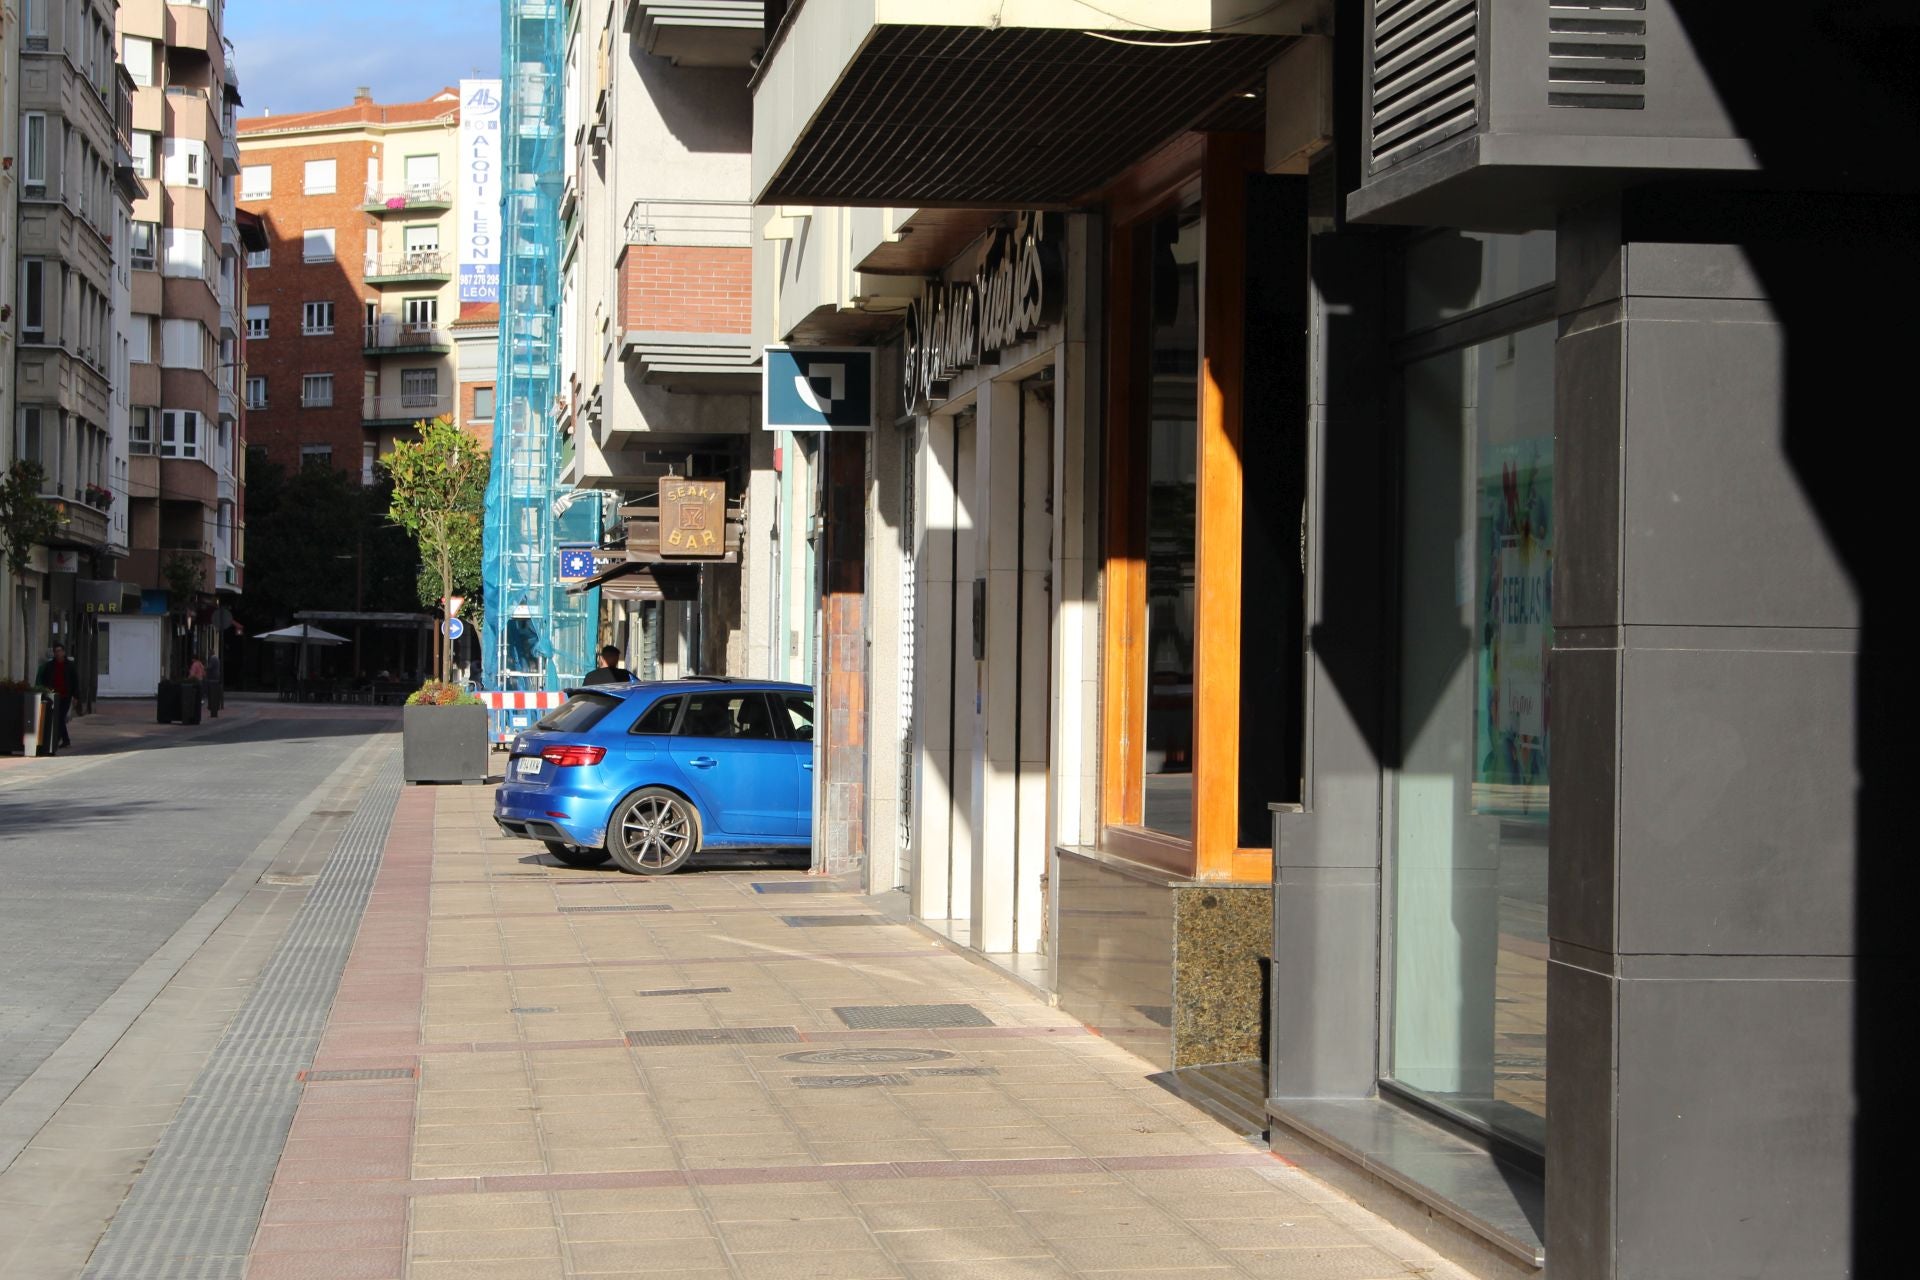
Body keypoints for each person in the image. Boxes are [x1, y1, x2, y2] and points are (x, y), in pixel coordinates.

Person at [35, 643, 76, 751]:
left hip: (66, 696)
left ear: (64, 652)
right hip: (53, 696)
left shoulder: (70, 665)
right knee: (58, 718)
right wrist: (45, 689)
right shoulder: (50, 665)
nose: (57, 653)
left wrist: (76, 696)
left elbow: (75, 681)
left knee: (59, 717)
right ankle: (63, 740)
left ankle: (61, 740)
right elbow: (44, 678)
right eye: (56, 651)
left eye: (59, 651)